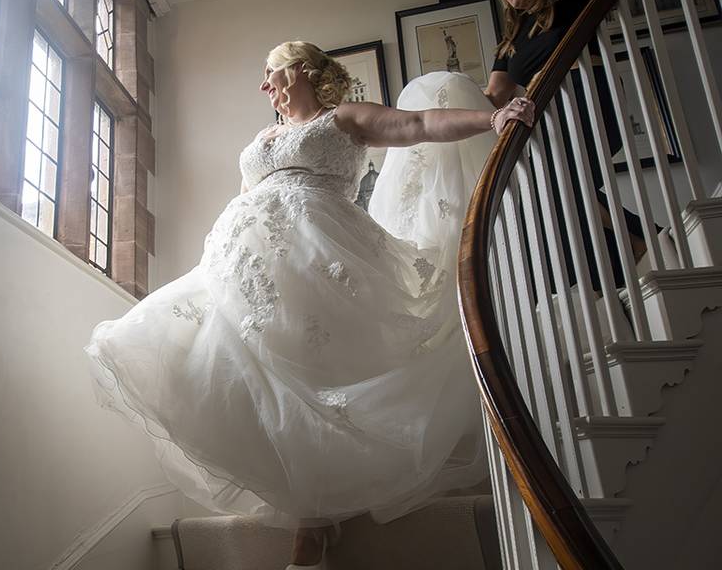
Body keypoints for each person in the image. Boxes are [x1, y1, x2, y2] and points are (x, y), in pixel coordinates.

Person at [84, 41, 533, 569]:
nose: (264, 85)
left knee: (311, 374)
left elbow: (415, 126)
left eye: (270, 71)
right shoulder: (263, 136)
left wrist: (491, 116)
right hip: (242, 263)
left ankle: (314, 521)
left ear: (300, 70)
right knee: (230, 371)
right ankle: (311, 513)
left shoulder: (341, 118)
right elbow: (251, 193)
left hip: (319, 252)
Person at [370, 0, 652, 293]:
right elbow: (493, 96)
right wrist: (443, 95)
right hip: (547, 117)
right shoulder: (512, 39)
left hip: (587, 97)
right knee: (555, 189)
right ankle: (634, 248)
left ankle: (638, 244)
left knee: (561, 184)